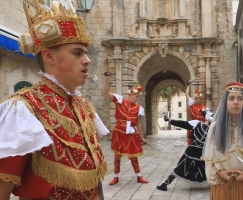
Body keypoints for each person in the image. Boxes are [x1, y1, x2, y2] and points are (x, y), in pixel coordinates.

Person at [0, 1, 108, 200]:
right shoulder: (24, 109)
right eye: (77, 53)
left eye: (85, 52)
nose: (87, 60)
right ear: (49, 56)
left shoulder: (83, 106)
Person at [104, 73, 148, 185]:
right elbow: (107, 93)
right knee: (117, 155)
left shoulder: (138, 108)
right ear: (130, 95)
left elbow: (139, 124)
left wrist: (142, 137)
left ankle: (139, 176)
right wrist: (106, 80)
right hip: (119, 131)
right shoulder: (120, 100)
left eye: (138, 97)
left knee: (133, 155)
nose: (137, 98)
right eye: (136, 96)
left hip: (131, 133)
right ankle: (115, 176)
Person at [156, 111, 214, 191]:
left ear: (206, 119)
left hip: (192, 149)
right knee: (207, 167)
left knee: (181, 166)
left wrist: (170, 120)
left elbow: (183, 124)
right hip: (204, 151)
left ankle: (165, 184)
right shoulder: (213, 129)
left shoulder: (198, 124)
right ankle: (213, 184)